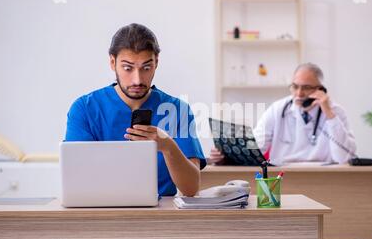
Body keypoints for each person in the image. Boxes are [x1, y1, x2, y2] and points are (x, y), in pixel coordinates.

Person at [65, 23, 206, 197]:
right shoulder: (84, 109)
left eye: (146, 68)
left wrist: (168, 147)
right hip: (101, 213)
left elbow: (191, 188)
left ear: (156, 63)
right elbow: (76, 179)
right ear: (112, 62)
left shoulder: (178, 110)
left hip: (161, 217)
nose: (137, 80)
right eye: (128, 68)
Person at [209, 63, 356, 165]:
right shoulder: (278, 109)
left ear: (320, 89)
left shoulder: (335, 112)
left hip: (325, 176)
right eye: (295, 86)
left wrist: (328, 114)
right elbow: (256, 148)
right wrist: (226, 157)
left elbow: (343, 157)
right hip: (284, 175)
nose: (299, 93)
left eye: (306, 87)